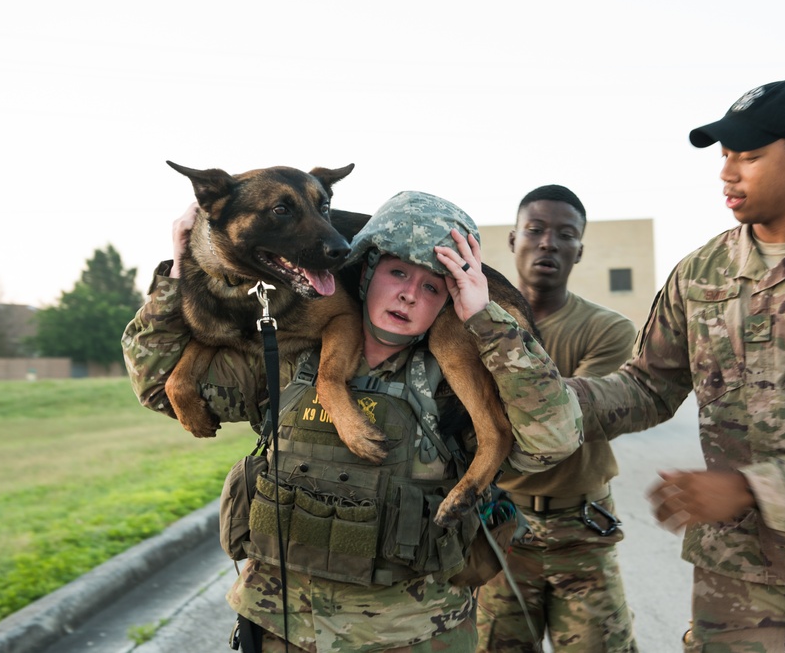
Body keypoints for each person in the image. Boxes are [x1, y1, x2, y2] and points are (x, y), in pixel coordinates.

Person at [121, 190, 583, 652]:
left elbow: (555, 437)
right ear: (365, 273)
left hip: (414, 636)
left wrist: (488, 322)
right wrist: (180, 268)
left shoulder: (457, 384)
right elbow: (156, 385)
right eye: (397, 272)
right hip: (280, 627)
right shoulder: (286, 359)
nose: (408, 292)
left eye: (432, 286)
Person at [567, 80, 785, 651]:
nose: (728, 172)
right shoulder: (701, 272)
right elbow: (647, 385)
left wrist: (752, 489)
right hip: (738, 578)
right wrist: (554, 403)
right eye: (725, 155)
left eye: (750, 156)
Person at [475, 185, 639, 652]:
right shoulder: (476, 323)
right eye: (535, 230)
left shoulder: (607, 330)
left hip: (582, 531)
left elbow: (564, 422)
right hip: (500, 526)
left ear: (579, 251)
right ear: (512, 241)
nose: (548, 243)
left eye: (565, 235)